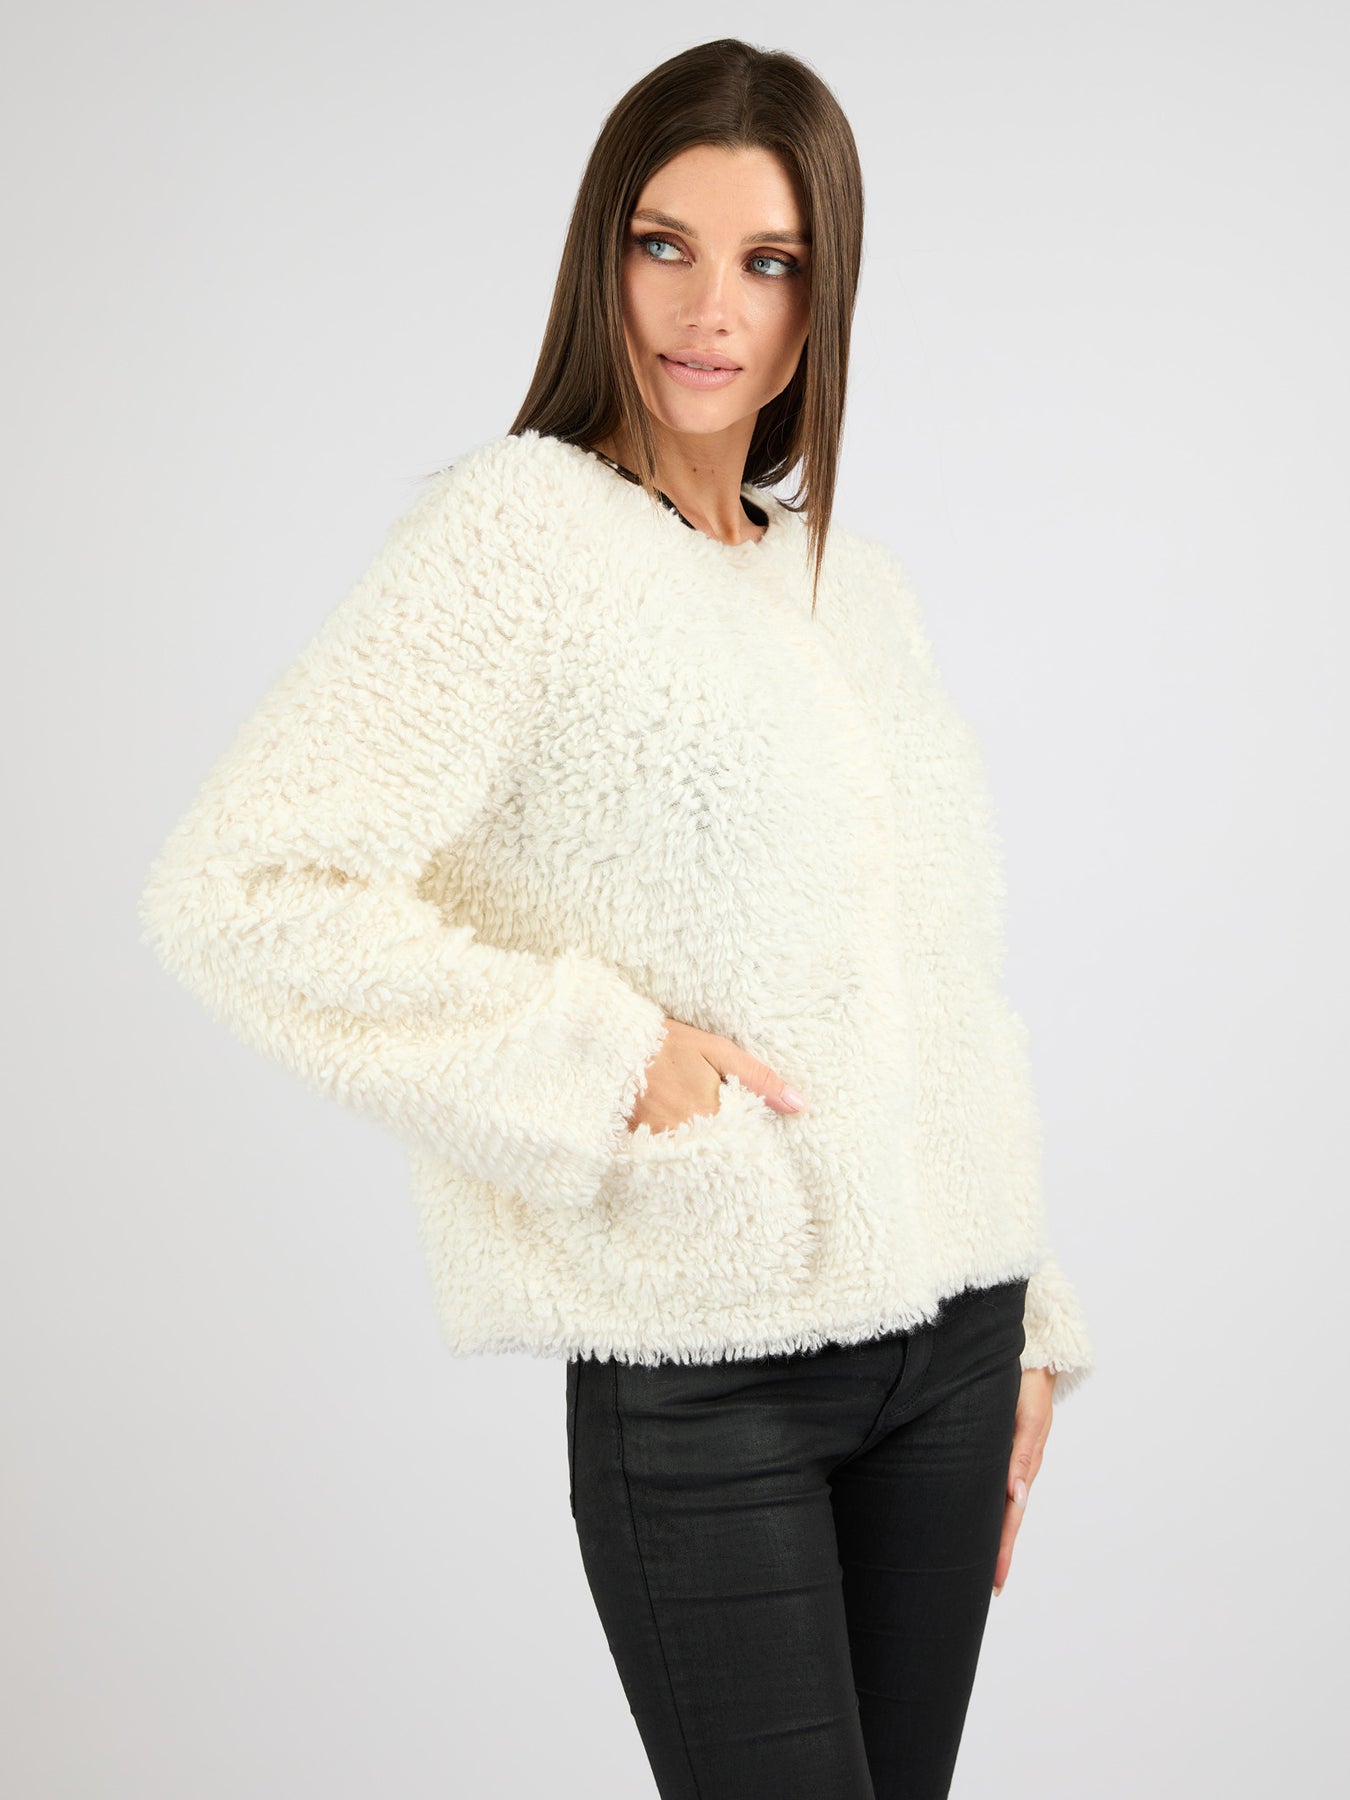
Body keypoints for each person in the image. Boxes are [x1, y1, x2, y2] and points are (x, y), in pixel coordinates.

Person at [137, 36, 1094, 1800]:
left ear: (823, 295)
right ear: (602, 254)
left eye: (768, 260)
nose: (709, 310)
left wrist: (1023, 1308)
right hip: (714, 1366)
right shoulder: (519, 535)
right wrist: (607, 1056)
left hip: (950, 1355)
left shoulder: (849, 584)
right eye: (665, 245)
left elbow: (936, 979)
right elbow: (242, 890)